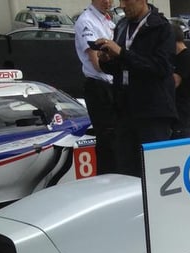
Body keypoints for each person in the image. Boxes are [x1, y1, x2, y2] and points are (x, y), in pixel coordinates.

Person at [96, 0, 177, 177]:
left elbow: (161, 68)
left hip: (152, 112)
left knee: (153, 172)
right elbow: (119, 68)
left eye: (127, 1)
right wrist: (106, 59)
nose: (123, 5)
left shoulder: (162, 28)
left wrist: (122, 53)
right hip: (124, 109)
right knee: (125, 171)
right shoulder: (122, 25)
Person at [74, 0, 118, 175]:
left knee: (117, 138)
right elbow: (97, 62)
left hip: (112, 85)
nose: (107, 2)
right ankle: (107, 181)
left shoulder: (107, 20)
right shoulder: (86, 21)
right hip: (98, 86)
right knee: (107, 139)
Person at [171, 23, 190, 139]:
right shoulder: (174, 57)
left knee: (180, 137)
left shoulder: (185, 57)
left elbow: (174, 82)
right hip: (177, 106)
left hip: (184, 107)